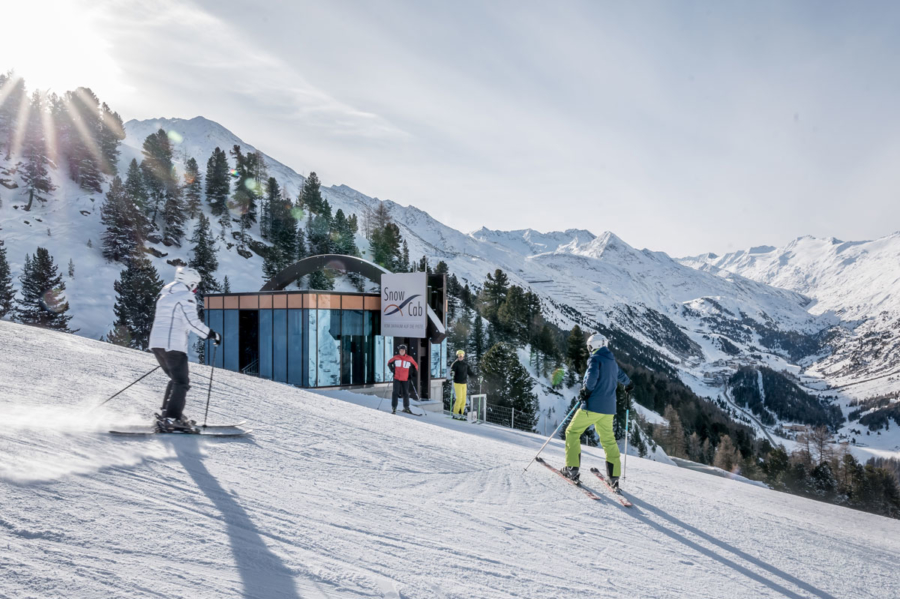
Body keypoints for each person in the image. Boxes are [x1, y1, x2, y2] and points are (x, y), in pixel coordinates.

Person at [148, 266, 220, 432]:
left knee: (175, 379)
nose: (195, 289)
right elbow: (191, 322)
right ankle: (172, 419)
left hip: (157, 344)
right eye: (195, 285)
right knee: (181, 382)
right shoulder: (185, 296)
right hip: (173, 345)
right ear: (191, 282)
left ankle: (168, 415)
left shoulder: (165, 296)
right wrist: (212, 335)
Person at [560, 332, 633, 489]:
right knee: (608, 441)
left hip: (592, 406)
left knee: (572, 432)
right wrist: (628, 383)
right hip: (608, 410)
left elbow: (592, 376)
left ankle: (571, 469)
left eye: (590, 346)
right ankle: (613, 477)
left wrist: (586, 390)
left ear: (595, 345)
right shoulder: (611, 361)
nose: (589, 349)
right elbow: (620, 375)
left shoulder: (595, 359)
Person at [387, 344, 418, 414]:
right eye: (401, 350)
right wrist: (392, 370)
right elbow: (389, 363)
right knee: (395, 393)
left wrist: (413, 373)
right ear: (399, 351)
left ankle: (406, 408)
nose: (402, 351)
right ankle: (394, 407)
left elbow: (415, 365)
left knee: (406, 393)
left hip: (405, 379)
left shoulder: (409, 358)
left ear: (405, 351)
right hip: (397, 378)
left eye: (403, 350)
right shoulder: (396, 357)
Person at [450, 349, 475, 420]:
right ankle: (455, 413)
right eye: (459, 355)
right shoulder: (455, 364)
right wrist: (452, 373)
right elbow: (452, 371)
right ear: (457, 356)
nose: (460, 357)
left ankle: (461, 414)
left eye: (462, 355)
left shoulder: (465, 364)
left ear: (463, 356)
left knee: (464, 399)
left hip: (464, 383)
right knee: (459, 398)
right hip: (457, 383)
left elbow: (470, 372)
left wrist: (476, 377)